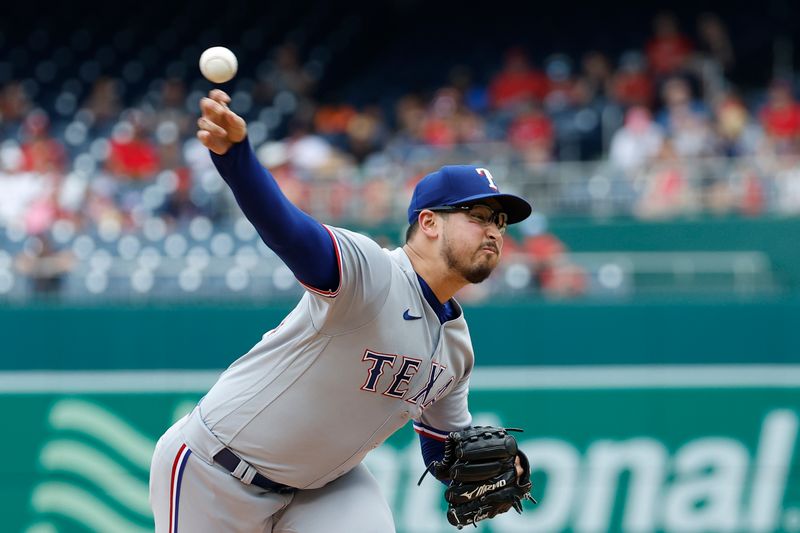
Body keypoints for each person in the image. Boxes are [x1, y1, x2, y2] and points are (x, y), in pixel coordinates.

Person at [148, 89, 533, 532]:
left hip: (327, 487)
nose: (494, 231)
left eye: (500, 223)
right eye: (480, 215)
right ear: (428, 222)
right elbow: (290, 233)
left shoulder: (457, 347)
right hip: (216, 470)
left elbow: (445, 451)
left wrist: (504, 469)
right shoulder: (372, 274)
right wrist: (236, 158)